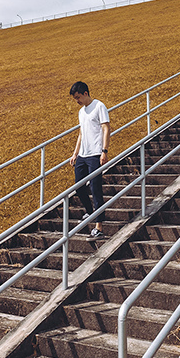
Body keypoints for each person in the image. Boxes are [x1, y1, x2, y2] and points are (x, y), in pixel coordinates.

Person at [68, 81, 111, 240]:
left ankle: (99, 226)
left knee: (95, 188)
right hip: (83, 155)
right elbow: (81, 133)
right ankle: (90, 212)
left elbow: (106, 128)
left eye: (78, 97)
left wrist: (104, 151)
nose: (77, 101)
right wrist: (75, 153)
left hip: (95, 154)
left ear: (85, 93)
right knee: (78, 187)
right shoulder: (81, 112)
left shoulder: (99, 106)